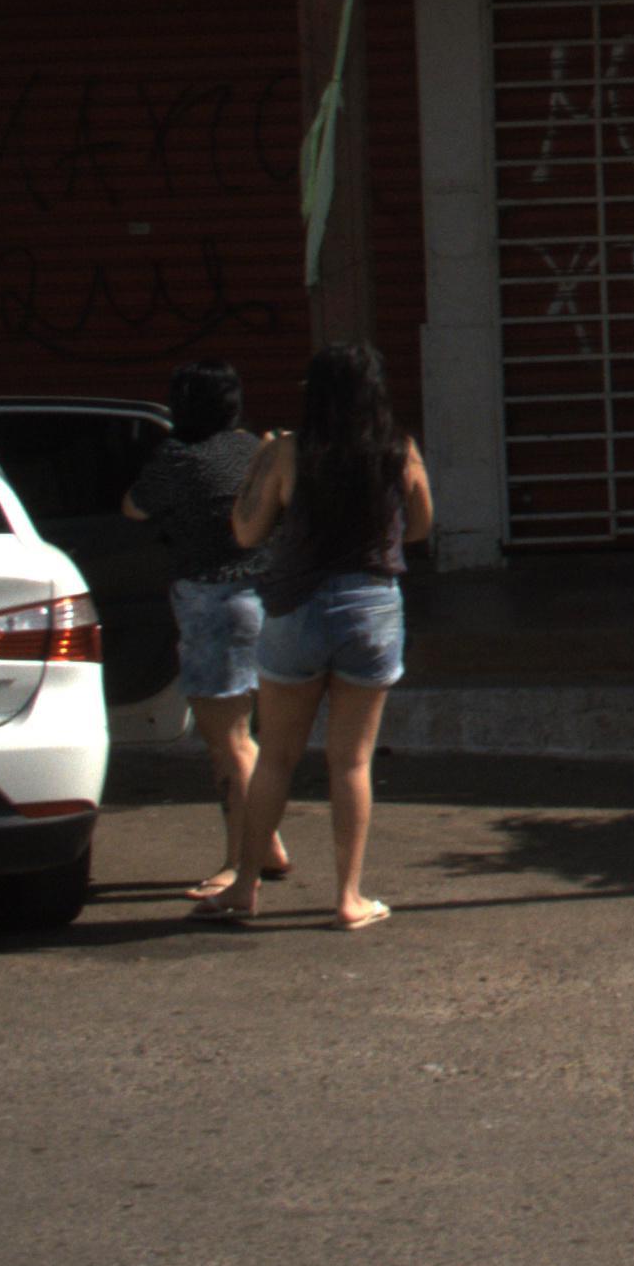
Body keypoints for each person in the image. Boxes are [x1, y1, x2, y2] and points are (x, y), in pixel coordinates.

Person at [202, 342, 429, 932]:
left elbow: (246, 531)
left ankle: (245, 886)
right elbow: (421, 525)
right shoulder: (399, 449)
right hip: (372, 608)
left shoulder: (288, 451)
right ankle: (349, 898)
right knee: (351, 761)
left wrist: (260, 463)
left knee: (276, 756)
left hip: (298, 609)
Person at [124, 360, 293, 904]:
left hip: (211, 604)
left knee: (232, 743)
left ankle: (240, 865)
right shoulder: (254, 449)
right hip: (264, 600)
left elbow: (133, 507)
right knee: (244, 737)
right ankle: (267, 847)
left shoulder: (178, 458)